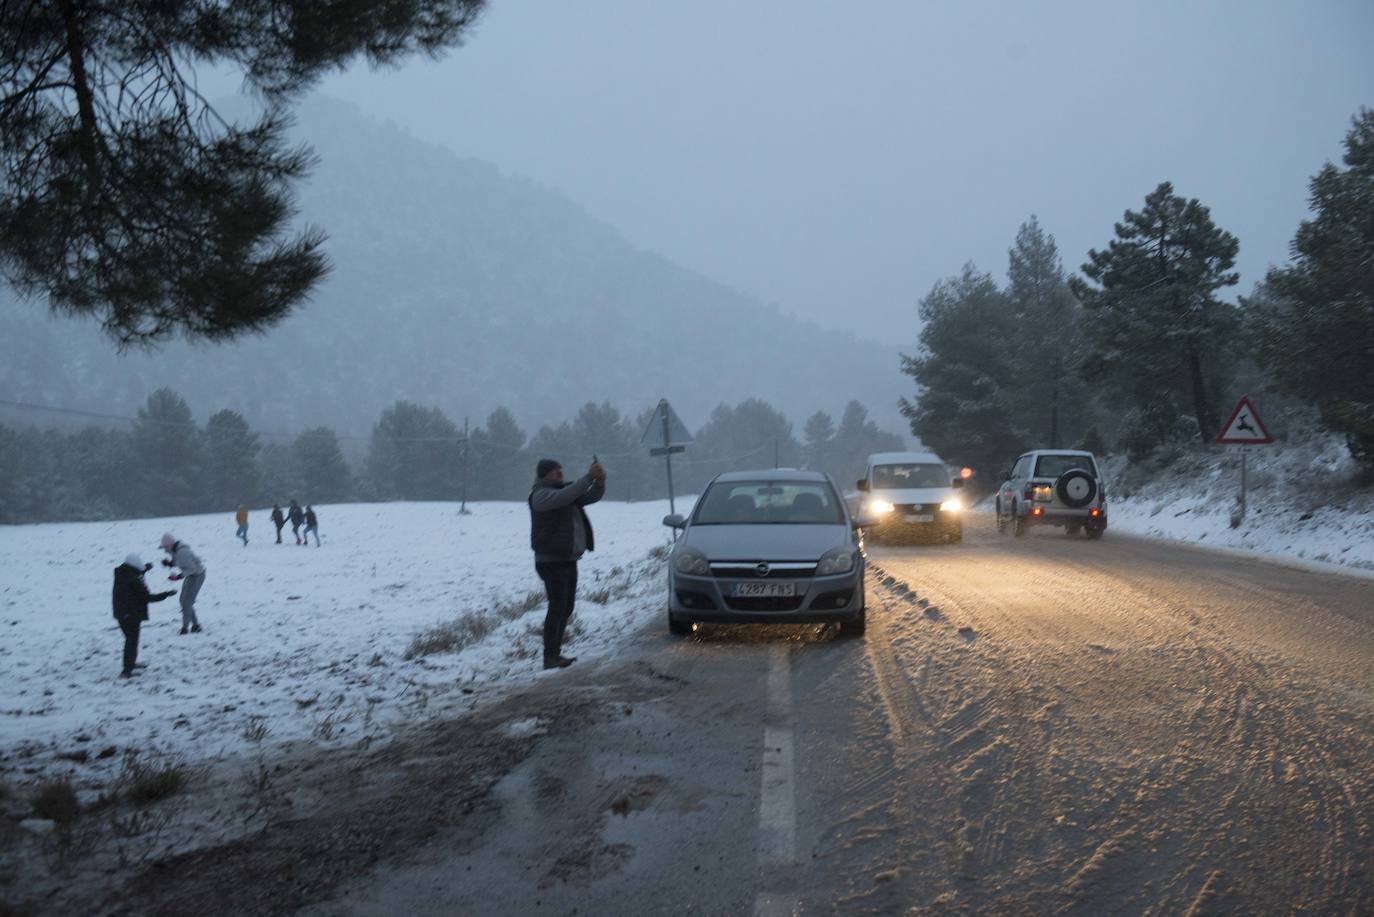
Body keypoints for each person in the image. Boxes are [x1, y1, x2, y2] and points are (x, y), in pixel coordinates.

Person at [528, 457, 606, 670]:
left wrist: (599, 482)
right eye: (556, 471)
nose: (561, 474)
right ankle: (550, 656)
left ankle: (555, 654)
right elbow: (566, 495)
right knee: (557, 607)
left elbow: (591, 496)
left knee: (566, 606)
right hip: (551, 561)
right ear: (544, 475)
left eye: (561, 470)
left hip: (568, 558)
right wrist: (589, 476)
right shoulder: (541, 496)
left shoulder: (564, 492)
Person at [112, 554, 175, 678]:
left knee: (131, 640)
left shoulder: (122, 573)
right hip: (130, 615)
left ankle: (131, 664)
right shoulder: (134, 579)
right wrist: (166, 594)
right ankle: (127, 671)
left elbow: (136, 572)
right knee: (131, 641)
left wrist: (145, 568)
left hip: (122, 613)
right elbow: (147, 597)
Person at [159, 533, 207, 635]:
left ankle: (185, 628)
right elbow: (180, 562)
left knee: (187, 602)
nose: (164, 550)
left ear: (170, 544)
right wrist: (170, 564)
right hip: (191, 575)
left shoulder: (182, 551)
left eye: (165, 547)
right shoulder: (175, 551)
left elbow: (193, 568)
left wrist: (179, 576)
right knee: (183, 601)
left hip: (198, 575)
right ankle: (196, 625)